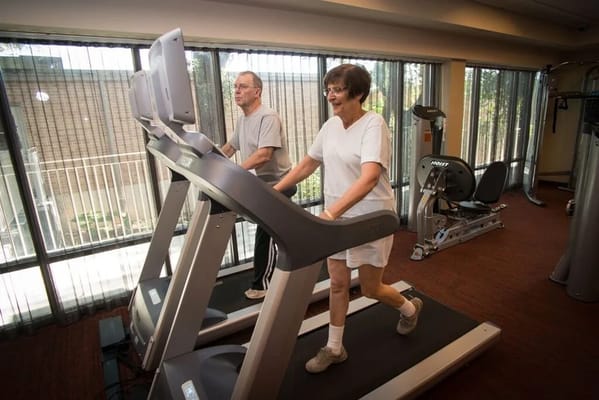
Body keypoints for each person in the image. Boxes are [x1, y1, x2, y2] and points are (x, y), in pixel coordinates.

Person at [273, 64, 423, 373]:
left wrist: (329, 213)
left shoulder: (373, 124)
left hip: (370, 218)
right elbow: (306, 165)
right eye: (328, 89)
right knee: (338, 284)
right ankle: (334, 347)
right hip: (338, 221)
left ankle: (409, 308)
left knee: (370, 288)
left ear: (358, 93)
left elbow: (369, 178)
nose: (331, 95)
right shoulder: (330, 127)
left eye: (338, 89)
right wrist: (273, 191)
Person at [221, 71, 296, 300]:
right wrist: (211, 161)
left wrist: (234, 172)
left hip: (278, 184)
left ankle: (262, 285)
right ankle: (297, 263)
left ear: (257, 92)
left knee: (266, 234)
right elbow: (230, 147)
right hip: (260, 186)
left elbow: (264, 155)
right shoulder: (243, 120)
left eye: (243, 86)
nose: (237, 90)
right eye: (235, 86)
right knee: (279, 233)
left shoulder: (268, 117)